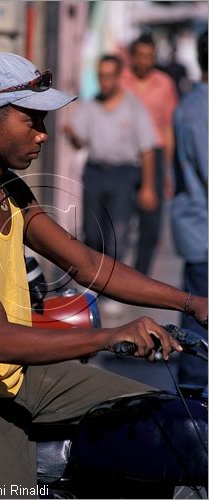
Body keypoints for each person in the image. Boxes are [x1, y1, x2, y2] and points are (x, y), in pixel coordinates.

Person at [0, 52, 207, 499]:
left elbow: (87, 264)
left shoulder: (10, 191)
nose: (43, 134)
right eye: (32, 120)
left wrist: (189, 302)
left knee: (164, 422)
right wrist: (109, 336)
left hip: (15, 376)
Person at [64, 54, 158, 265]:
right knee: (92, 231)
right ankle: (92, 281)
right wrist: (72, 134)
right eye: (101, 76)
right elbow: (80, 144)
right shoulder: (90, 105)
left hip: (123, 174)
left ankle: (112, 286)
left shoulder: (134, 106)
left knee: (117, 232)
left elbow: (148, 150)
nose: (104, 81)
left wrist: (148, 188)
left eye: (109, 76)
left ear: (118, 77)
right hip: (95, 172)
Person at [121, 34, 179, 276]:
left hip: (154, 154)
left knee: (151, 223)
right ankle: (116, 273)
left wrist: (166, 170)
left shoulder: (165, 84)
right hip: (125, 153)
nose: (145, 61)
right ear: (132, 56)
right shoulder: (122, 80)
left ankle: (140, 275)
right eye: (141, 56)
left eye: (150, 56)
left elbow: (168, 128)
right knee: (120, 218)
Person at [170, 30, 208, 389]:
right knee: (201, 313)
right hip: (203, 231)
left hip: (197, 227)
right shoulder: (201, 109)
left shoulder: (192, 104)